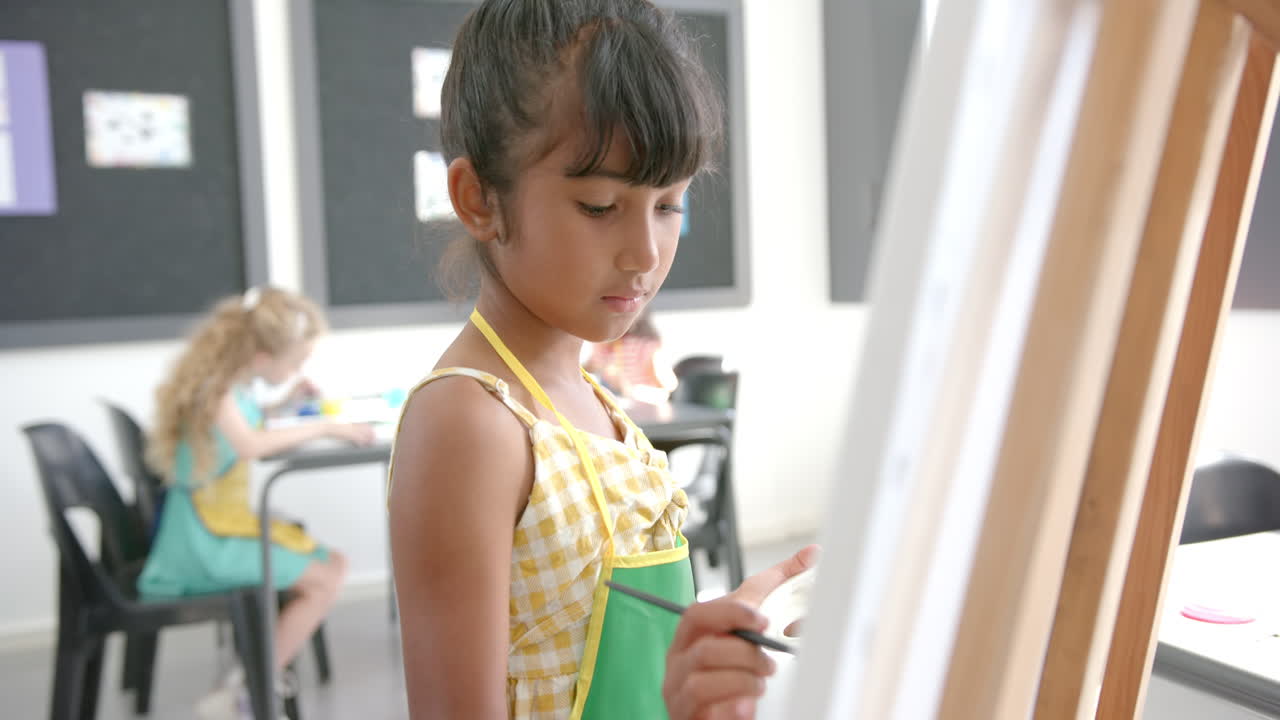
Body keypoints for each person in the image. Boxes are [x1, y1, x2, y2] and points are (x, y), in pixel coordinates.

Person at [387, 2, 817, 718]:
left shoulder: (594, 402)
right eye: (598, 206)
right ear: (478, 199)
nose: (644, 254)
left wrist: (709, 647)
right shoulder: (471, 422)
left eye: (669, 205)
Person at [139, 286, 374, 719]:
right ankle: (248, 689)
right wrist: (326, 427)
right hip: (203, 542)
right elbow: (248, 444)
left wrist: (288, 401)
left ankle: (249, 679)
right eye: (296, 362)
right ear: (263, 356)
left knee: (332, 564)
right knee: (326, 577)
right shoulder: (217, 391)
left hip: (209, 527)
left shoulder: (229, 387)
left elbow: (247, 425)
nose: (298, 369)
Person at [584, 307, 678, 404]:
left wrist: (632, 390)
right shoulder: (605, 345)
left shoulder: (648, 345)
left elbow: (668, 383)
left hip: (640, 399)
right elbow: (590, 368)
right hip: (619, 398)